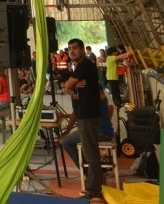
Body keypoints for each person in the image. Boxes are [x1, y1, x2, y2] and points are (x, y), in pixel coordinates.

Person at [63, 38, 104, 203]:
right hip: (84, 116)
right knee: (86, 150)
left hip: (88, 117)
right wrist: (70, 87)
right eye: (69, 49)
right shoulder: (80, 67)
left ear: (82, 50)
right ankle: (93, 178)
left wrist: (69, 86)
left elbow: (67, 85)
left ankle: (94, 191)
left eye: (74, 48)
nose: (71, 51)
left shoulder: (84, 65)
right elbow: (68, 88)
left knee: (90, 153)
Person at [61, 88, 115, 168]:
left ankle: (87, 171)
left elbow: (75, 115)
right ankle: (92, 169)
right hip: (106, 130)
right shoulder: (97, 92)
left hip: (100, 132)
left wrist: (66, 132)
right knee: (76, 138)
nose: (64, 90)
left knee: (66, 142)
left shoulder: (87, 95)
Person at [106, 45, 134, 110]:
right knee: (115, 91)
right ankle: (116, 103)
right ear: (112, 53)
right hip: (111, 77)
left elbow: (120, 59)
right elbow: (119, 57)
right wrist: (127, 54)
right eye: (115, 52)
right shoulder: (110, 57)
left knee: (117, 90)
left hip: (114, 76)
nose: (116, 53)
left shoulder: (111, 58)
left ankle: (118, 102)